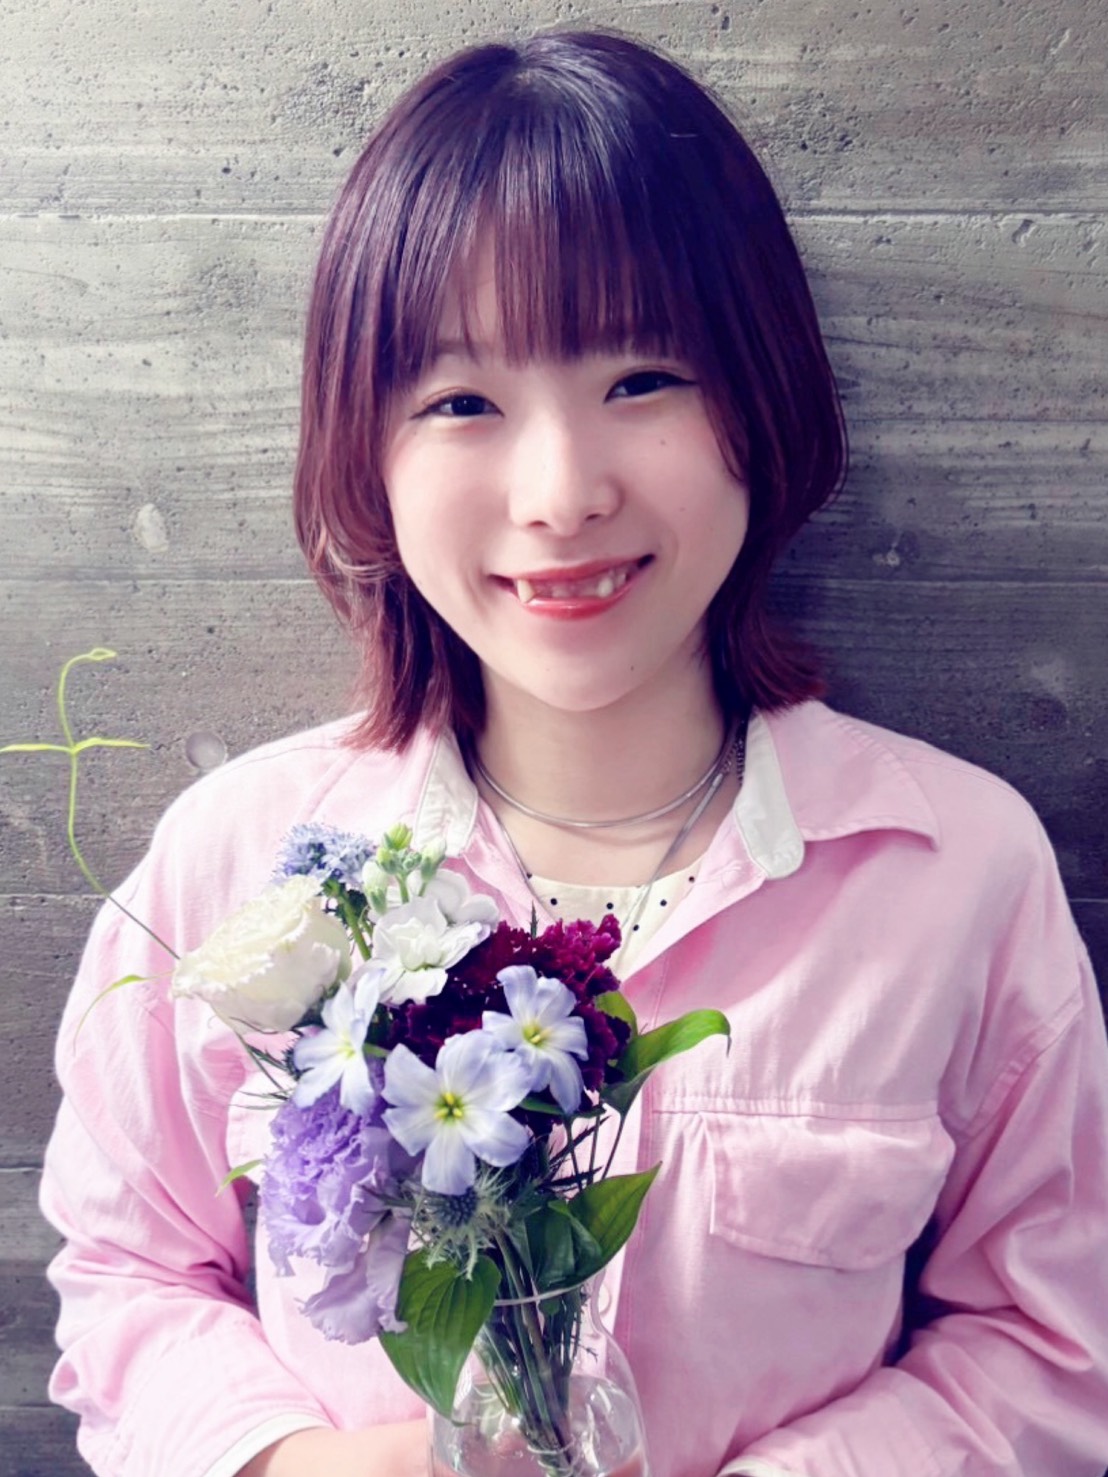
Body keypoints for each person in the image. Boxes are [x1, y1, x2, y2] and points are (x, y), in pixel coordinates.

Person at [39, 28, 1108, 1477]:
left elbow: (1049, 1344)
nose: (560, 494)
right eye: (462, 401)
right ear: (366, 452)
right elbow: (125, 1271)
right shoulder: (235, 864)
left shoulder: (957, 871)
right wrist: (317, 1463)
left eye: (644, 377)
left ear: (763, 401)